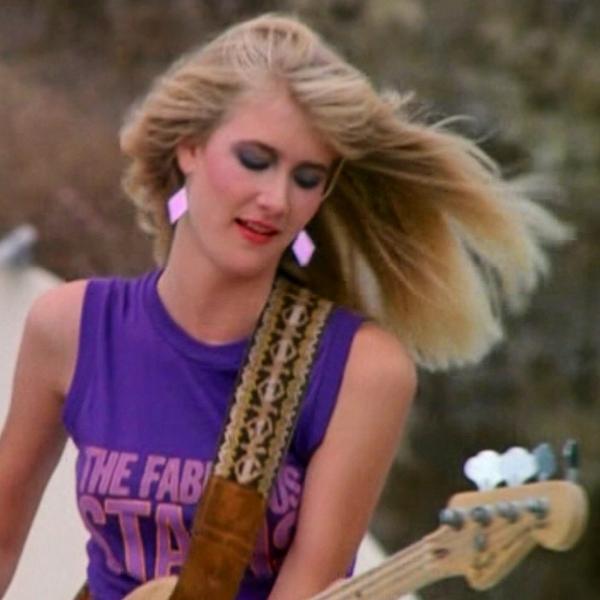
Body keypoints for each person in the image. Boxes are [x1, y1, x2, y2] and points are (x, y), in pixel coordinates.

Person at [0, 12, 569, 600]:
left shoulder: (360, 370)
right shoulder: (71, 327)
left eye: (307, 177)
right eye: (255, 159)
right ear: (190, 147)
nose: (276, 199)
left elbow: (311, 582)